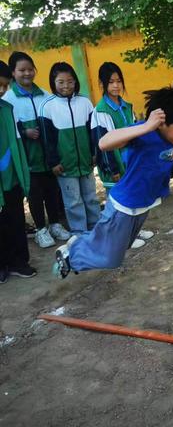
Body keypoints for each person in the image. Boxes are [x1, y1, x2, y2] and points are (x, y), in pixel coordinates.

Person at [53, 83, 173, 278]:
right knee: (111, 259)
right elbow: (104, 143)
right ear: (161, 123)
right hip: (124, 204)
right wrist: (146, 126)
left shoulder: (172, 135)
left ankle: (84, 241)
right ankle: (71, 255)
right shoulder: (145, 132)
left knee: (123, 245)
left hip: (143, 204)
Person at [3, 52, 70, 248]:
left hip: (47, 157)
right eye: (21, 70)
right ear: (13, 73)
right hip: (28, 159)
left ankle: (55, 224)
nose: (27, 73)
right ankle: (40, 228)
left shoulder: (46, 96)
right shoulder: (8, 99)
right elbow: (10, 129)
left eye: (30, 69)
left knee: (51, 190)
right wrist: (25, 132)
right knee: (34, 194)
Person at [91, 62, 154, 249]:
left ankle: (134, 230)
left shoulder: (127, 107)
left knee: (134, 197)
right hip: (116, 166)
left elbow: (136, 132)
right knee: (119, 204)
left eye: (118, 81)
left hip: (131, 162)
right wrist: (113, 170)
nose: (116, 86)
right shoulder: (101, 111)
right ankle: (123, 237)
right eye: (111, 82)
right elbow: (104, 143)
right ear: (103, 84)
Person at [40, 62, 101, 235]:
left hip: (86, 161)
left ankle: (95, 227)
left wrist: (94, 153)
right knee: (73, 200)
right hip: (64, 165)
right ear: (53, 82)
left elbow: (92, 132)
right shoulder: (48, 106)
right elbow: (47, 139)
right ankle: (79, 231)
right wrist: (53, 162)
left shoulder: (85, 102)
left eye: (70, 81)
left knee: (90, 196)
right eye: (61, 82)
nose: (66, 85)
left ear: (75, 82)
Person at [0, 60, 36, 283]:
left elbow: (15, 142)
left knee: (15, 219)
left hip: (10, 177)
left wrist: (21, 173)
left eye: (5, 85)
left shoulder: (7, 109)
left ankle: (18, 261)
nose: (2, 90)